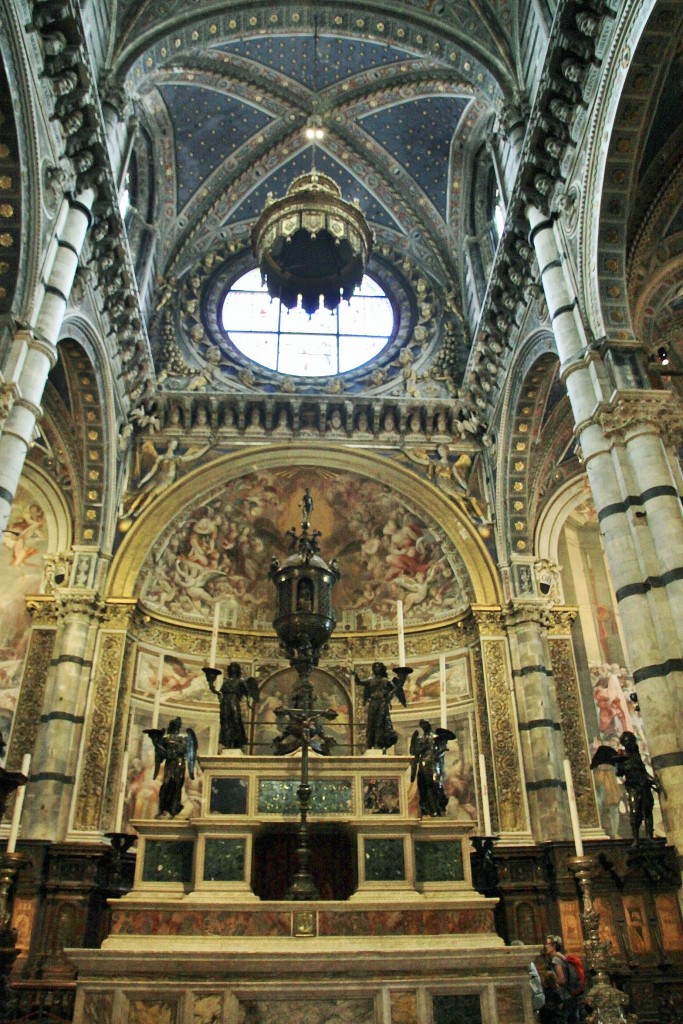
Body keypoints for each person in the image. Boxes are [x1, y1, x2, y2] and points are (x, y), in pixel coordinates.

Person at [143, 717, 198, 818]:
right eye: (175, 726)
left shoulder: (184, 739)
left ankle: (174, 808)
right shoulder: (165, 739)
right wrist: (156, 742)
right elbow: (161, 753)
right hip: (170, 765)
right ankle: (164, 808)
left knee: (176, 785)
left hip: (180, 764)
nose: (177, 727)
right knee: (167, 784)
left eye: (178, 726)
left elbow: (187, 751)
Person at [356, 662, 411, 750]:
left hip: (382, 703)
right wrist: (355, 675)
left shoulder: (386, 681)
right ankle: (370, 742)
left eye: (378, 667)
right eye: (375, 667)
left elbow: (396, 689)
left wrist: (401, 680)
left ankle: (378, 742)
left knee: (380, 723)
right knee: (371, 722)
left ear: (382, 669)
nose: (377, 669)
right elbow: (359, 682)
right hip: (373, 703)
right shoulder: (370, 680)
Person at [207, 662, 258, 750]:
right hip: (225, 702)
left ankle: (238, 742)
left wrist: (249, 703)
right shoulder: (226, 681)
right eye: (231, 668)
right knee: (225, 721)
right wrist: (212, 687)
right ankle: (227, 742)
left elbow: (248, 692)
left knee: (236, 720)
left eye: (234, 668)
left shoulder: (241, 681)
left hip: (234, 701)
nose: (233, 670)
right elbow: (220, 693)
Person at [409, 719, 455, 817]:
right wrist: (423, 747)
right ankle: (427, 808)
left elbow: (440, 750)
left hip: (433, 766)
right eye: (421, 725)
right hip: (423, 765)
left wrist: (440, 750)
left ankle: (435, 809)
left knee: (432, 787)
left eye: (424, 724)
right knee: (422, 787)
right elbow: (415, 752)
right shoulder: (420, 738)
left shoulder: (435, 737)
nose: (423, 726)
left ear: (428, 724)